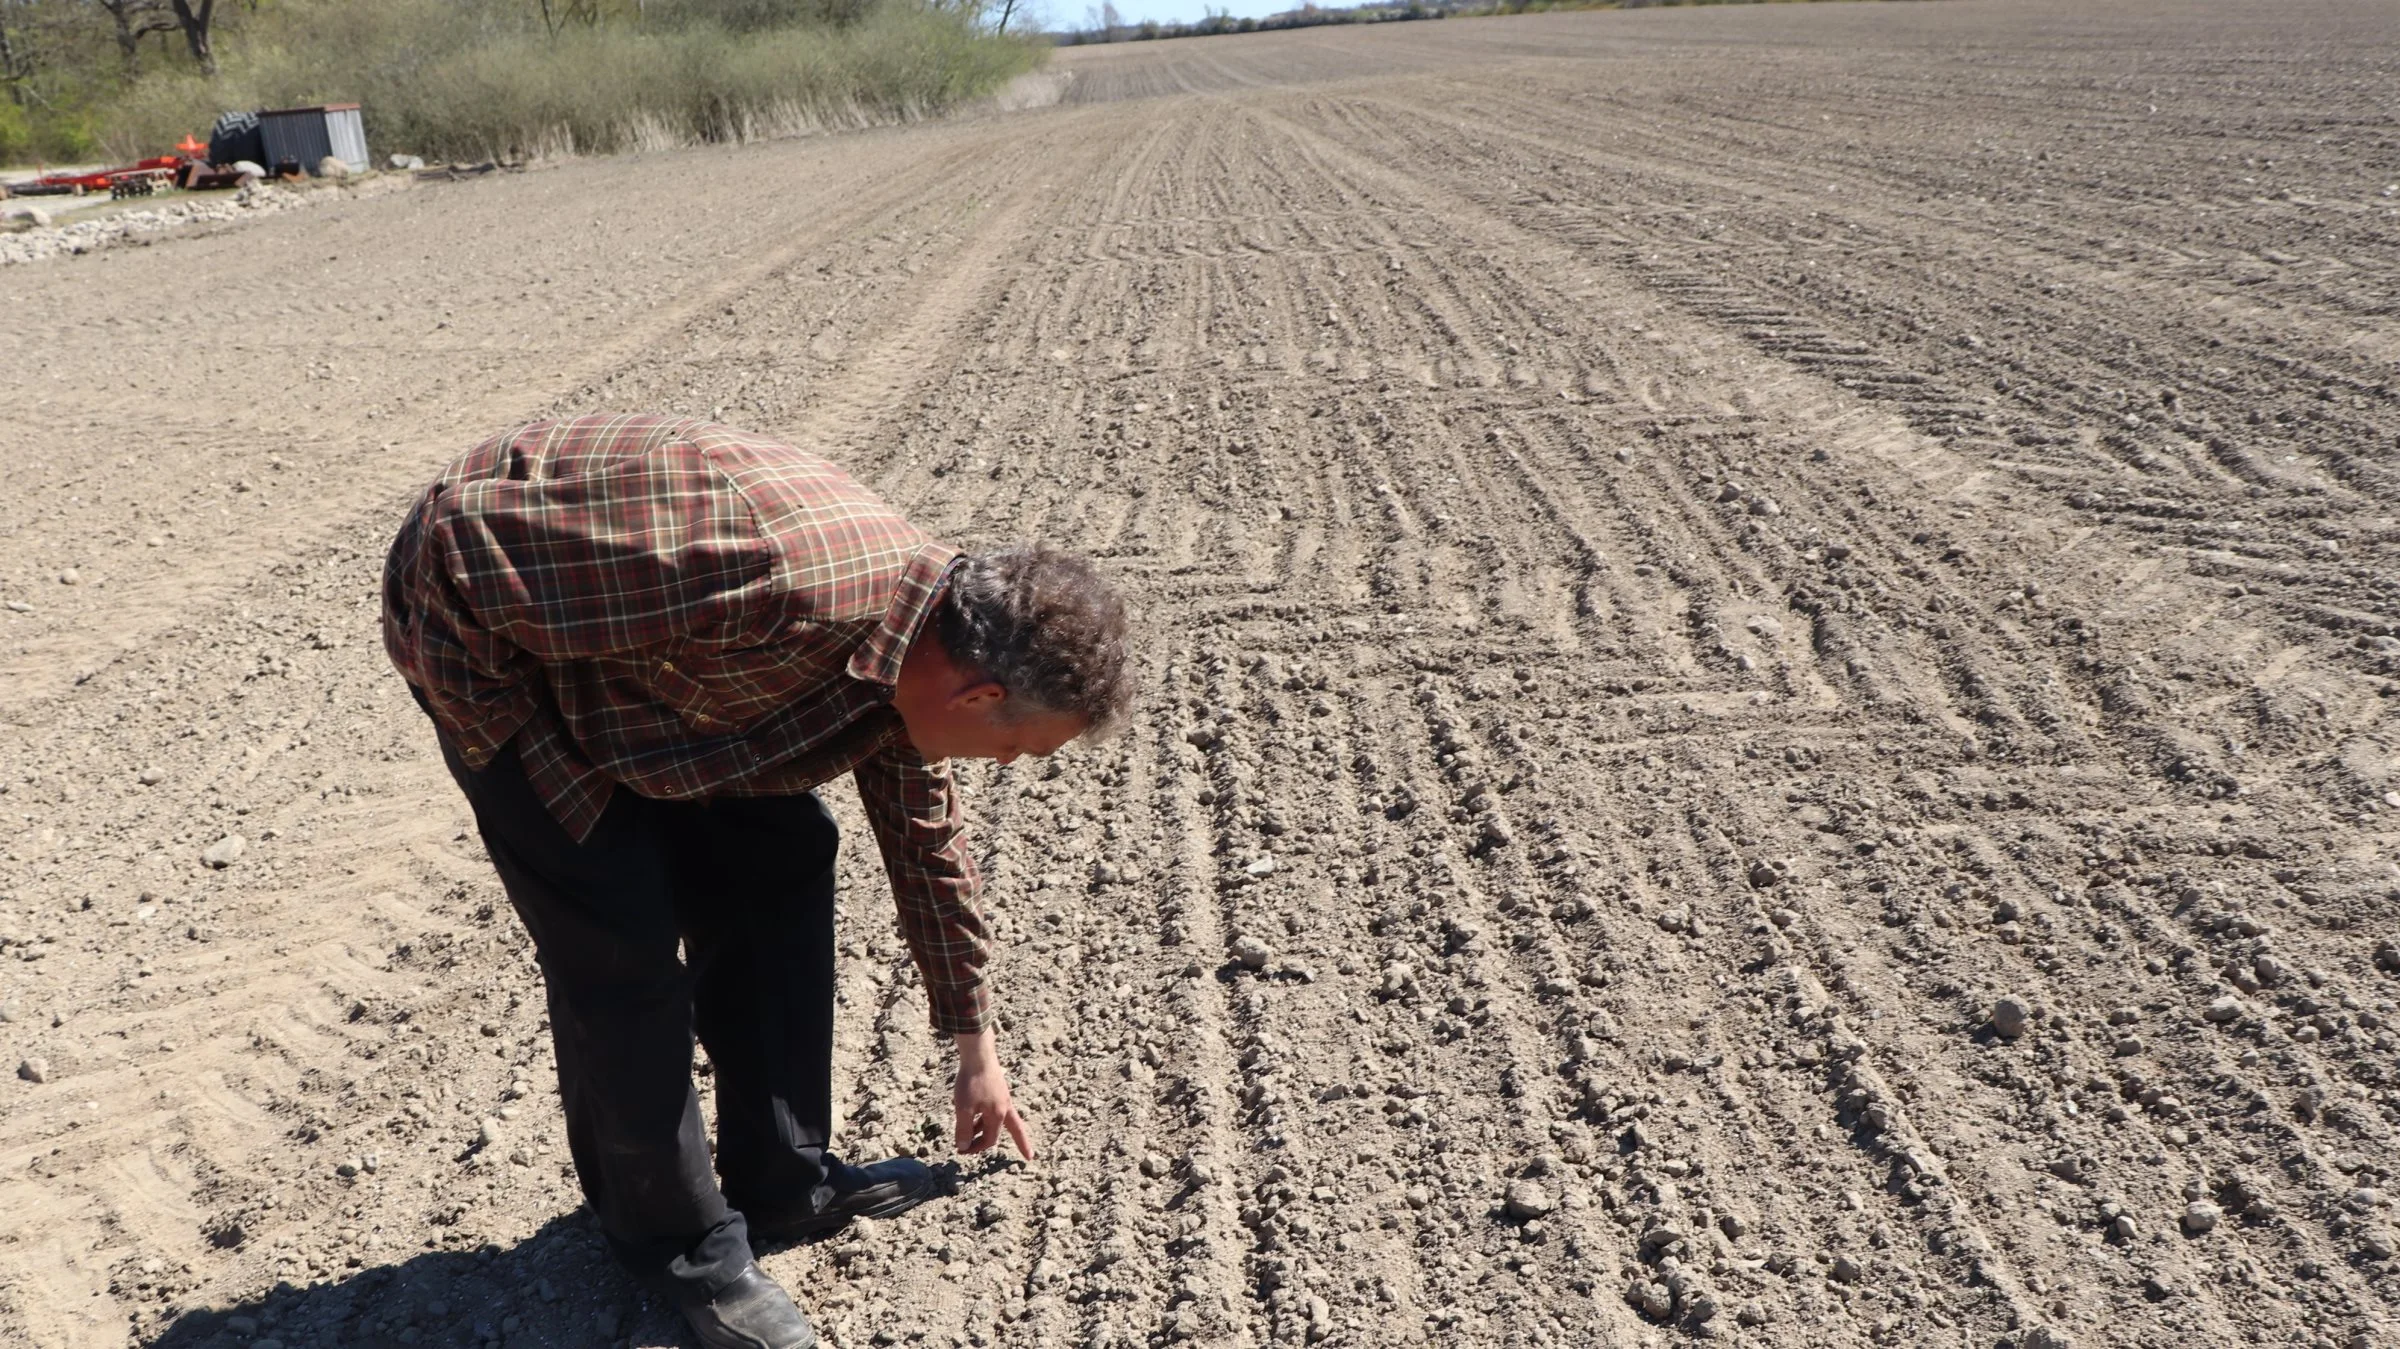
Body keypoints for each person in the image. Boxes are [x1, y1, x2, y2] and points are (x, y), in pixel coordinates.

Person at [380, 413, 1134, 1349]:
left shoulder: (913, 661)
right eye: (1018, 745)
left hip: (677, 685)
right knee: (620, 946)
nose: (1010, 762)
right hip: (478, 624)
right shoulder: (763, 573)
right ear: (978, 694)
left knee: (780, 859)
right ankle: (683, 1248)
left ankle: (784, 1180)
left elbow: (927, 845)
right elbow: (461, 541)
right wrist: (526, 752)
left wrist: (972, 1036)